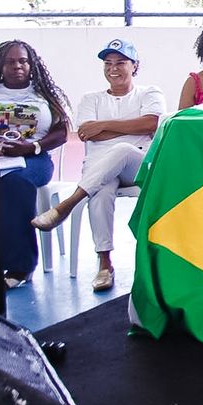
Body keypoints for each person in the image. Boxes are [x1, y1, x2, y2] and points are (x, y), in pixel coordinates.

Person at [31, 39, 166, 292]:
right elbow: (87, 133)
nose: (113, 68)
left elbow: (150, 124)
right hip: (98, 171)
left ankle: (66, 205)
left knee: (122, 150)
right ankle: (105, 264)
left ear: (134, 66)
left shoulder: (149, 93)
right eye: (108, 63)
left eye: (121, 63)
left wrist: (103, 125)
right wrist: (124, 126)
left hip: (137, 166)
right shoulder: (90, 99)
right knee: (101, 191)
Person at [0, 41, 69, 289]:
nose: (17, 66)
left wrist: (31, 147)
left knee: (15, 184)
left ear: (31, 65)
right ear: (1, 66)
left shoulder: (45, 96)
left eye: (23, 61)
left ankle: (20, 266)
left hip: (33, 160)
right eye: (11, 61)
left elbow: (61, 133)